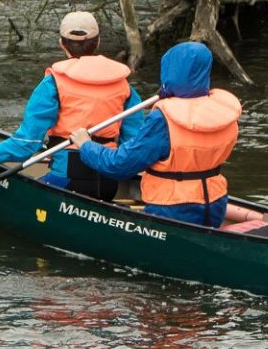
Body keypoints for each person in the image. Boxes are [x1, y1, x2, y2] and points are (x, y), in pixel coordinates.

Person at [0, 10, 145, 200]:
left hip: (66, 180)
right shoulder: (124, 86)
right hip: (109, 183)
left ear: (61, 44)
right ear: (98, 42)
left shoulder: (53, 84)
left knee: (25, 195)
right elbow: (134, 145)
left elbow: (26, 145)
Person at [70, 40, 241, 227]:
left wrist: (86, 145)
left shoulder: (163, 119)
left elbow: (120, 165)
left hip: (171, 206)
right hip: (215, 202)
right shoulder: (223, 112)